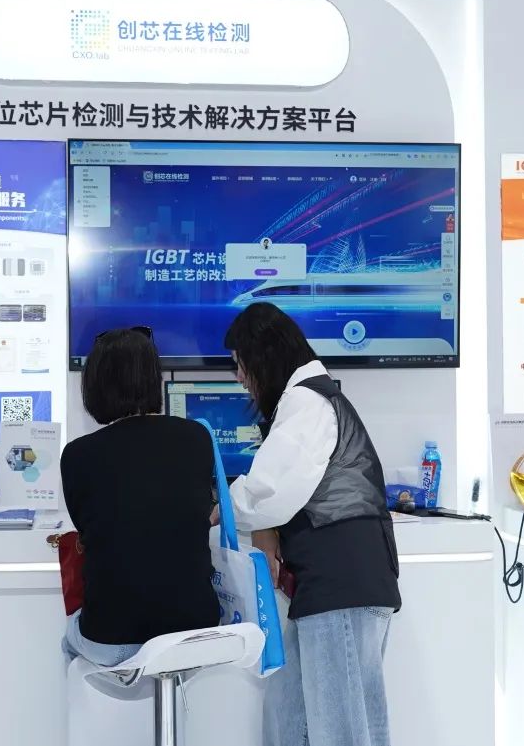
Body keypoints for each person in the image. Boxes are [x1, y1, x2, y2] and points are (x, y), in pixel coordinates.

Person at [222, 303, 401, 746]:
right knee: (289, 719)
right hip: (337, 588)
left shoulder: (307, 401)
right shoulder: (310, 400)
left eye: (241, 364)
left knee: (340, 732)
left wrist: (222, 508)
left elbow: (270, 491)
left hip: (341, 587)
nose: (239, 377)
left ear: (263, 358)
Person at [60, 327, 219, 666]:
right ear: (152, 378)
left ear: (94, 385)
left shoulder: (77, 455)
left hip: (111, 636)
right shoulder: (197, 438)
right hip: (195, 630)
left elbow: (87, 527)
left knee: (69, 642)